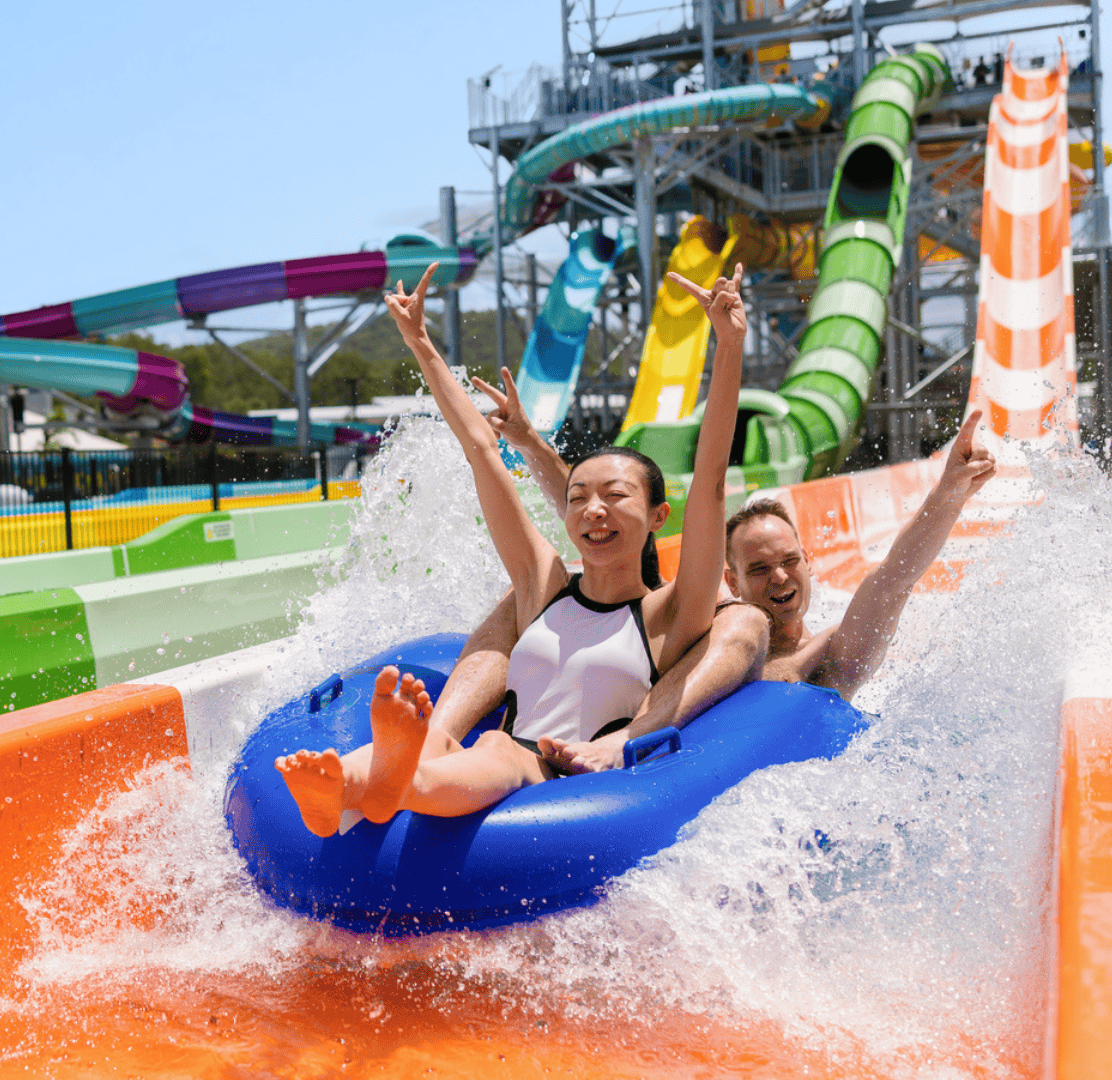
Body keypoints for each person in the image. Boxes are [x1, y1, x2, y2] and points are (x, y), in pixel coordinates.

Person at [276, 261, 766, 837]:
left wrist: (729, 344)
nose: (593, 510)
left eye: (615, 496)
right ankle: (353, 783)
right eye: (578, 498)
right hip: (494, 763)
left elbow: (710, 482)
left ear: (660, 516)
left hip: (556, 778)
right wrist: (420, 343)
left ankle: (387, 782)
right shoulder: (543, 586)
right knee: (440, 741)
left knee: (497, 749)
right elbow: (482, 450)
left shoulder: (671, 613)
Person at [724, 409, 996, 701]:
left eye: (790, 561)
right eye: (760, 569)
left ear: (807, 561)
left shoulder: (832, 661)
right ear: (732, 582)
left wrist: (949, 493)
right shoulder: (717, 651)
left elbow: (892, 581)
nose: (779, 576)